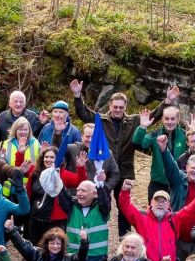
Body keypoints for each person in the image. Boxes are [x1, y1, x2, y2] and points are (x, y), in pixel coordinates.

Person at [70, 79, 171, 236]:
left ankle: (125, 240)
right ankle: (91, 235)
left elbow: (153, 116)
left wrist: (167, 101)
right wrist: (77, 96)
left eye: (121, 107)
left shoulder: (134, 120)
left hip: (124, 171)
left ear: (125, 108)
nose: (118, 110)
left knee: (124, 207)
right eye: (115, 106)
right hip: (102, 171)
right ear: (110, 106)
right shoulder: (100, 119)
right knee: (97, 203)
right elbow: (83, 113)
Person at [132, 106, 187, 197]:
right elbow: (138, 144)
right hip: (158, 183)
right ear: (162, 119)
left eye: (172, 119)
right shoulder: (155, 134)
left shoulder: (184, 136)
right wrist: (142, 127)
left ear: (178, 120)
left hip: (178, 183)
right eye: (167, 119)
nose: (169, 122)